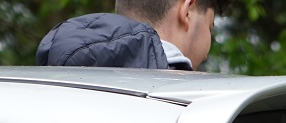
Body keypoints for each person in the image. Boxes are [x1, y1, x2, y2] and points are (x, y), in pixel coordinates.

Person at [37, 0, 215, 71]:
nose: (207, 53)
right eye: (210, 26)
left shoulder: (38, 86)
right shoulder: (189, 108)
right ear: (187, 12)